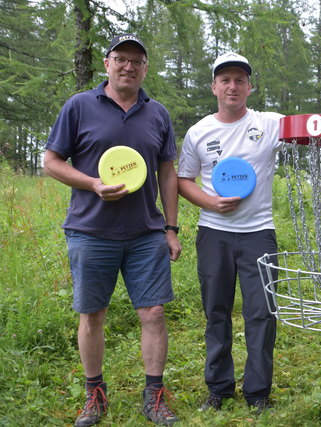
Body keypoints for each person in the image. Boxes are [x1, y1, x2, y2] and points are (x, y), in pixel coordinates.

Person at [43, 34, 182, 426]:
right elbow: (51, 161)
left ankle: (154, 396)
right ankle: (95, 395)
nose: (128, 66)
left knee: (154, 313)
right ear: (107, 64)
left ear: (145, 69)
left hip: (145, 233)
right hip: (90, 232)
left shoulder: (158, 114)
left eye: (136, 61)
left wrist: (171, 228)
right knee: (92, 315)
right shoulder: (79, 106)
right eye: (120, 59)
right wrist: (92, 184)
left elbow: (167, 172)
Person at [177, 52, 282, 414]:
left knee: (262, 314)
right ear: (214, 87)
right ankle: (218, 390)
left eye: (240, 80)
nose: (232, 86)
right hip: (214, 234)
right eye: (225, 80)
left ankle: (258, 393)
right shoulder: (199, 132)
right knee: (216, 311)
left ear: (250, 87)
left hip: (259, 234)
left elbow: (311, 131)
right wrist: (208, 202)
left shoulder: (271, 124)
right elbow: (183, 180)